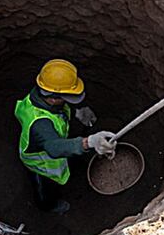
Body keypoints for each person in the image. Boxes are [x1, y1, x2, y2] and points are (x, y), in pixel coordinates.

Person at [14, 59, 116, 214]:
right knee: (45, 188)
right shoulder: (40, 124)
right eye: (67, 97)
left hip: (46, 146)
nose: (68, 101)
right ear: (54, 97)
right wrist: (89, 142)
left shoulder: (40, 97)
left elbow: (58, 111)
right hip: (42, 165)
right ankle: (49, 206)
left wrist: (77, 113)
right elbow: (54, 148)